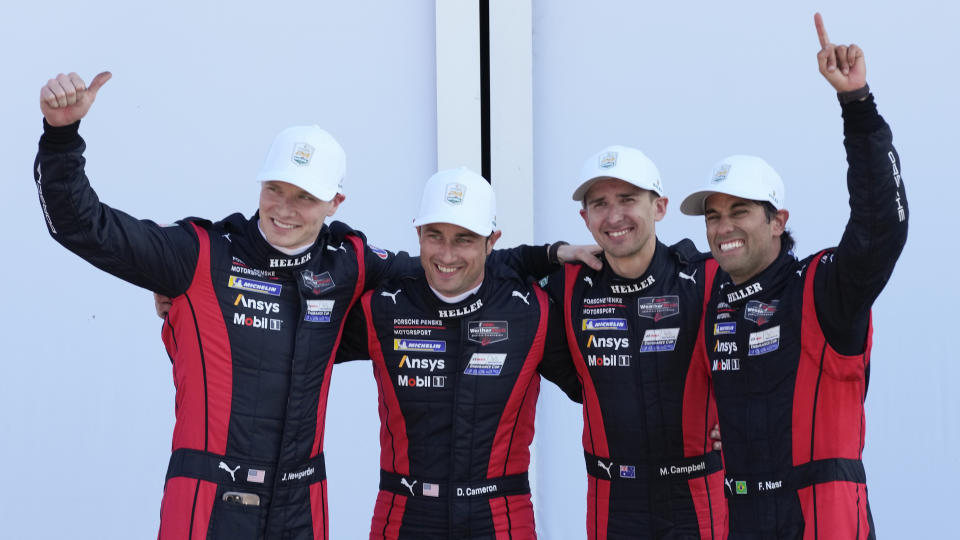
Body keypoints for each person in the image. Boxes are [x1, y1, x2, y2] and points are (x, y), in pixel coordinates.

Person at [34, 72, 585, 540]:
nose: (287, 209)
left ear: (334, 201)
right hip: (208, 500)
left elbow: (450, 268)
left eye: (305, 196)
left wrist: (547, 255)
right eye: (277, 189)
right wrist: (62, 139)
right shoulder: (196, 254)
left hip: (301, 504)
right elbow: (85, 226)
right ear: (259, 187)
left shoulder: (349, 263)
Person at [679, 14, 907, 539]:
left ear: (779, 221)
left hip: (821, 521)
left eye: (741, 211)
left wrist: (858, 106)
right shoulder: (713, 295)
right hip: (741, 518)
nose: (723, 226)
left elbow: (880, 226)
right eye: (713, 215)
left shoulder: (823, 287)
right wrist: (550, 254)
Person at [336, 167, 582, 539]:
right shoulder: (382, 307)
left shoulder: (533, 311)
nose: (447, 255)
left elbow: (601, 388)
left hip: (500, 518)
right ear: (418, 234)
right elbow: (295, 352)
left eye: (464, 239)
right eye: (435, 236)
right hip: (405, 515)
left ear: (491, 241)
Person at [544, 146, 727, 539]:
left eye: (628, 200)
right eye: (599, 204)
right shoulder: (567, 286)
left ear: (659, 207)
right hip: (614, 502)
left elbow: (778, 344)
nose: (614, 216)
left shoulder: (708, 276)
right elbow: (482, 272)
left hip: (697, 495)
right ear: (585, 218)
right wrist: (551, 252)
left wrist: (746, 418)